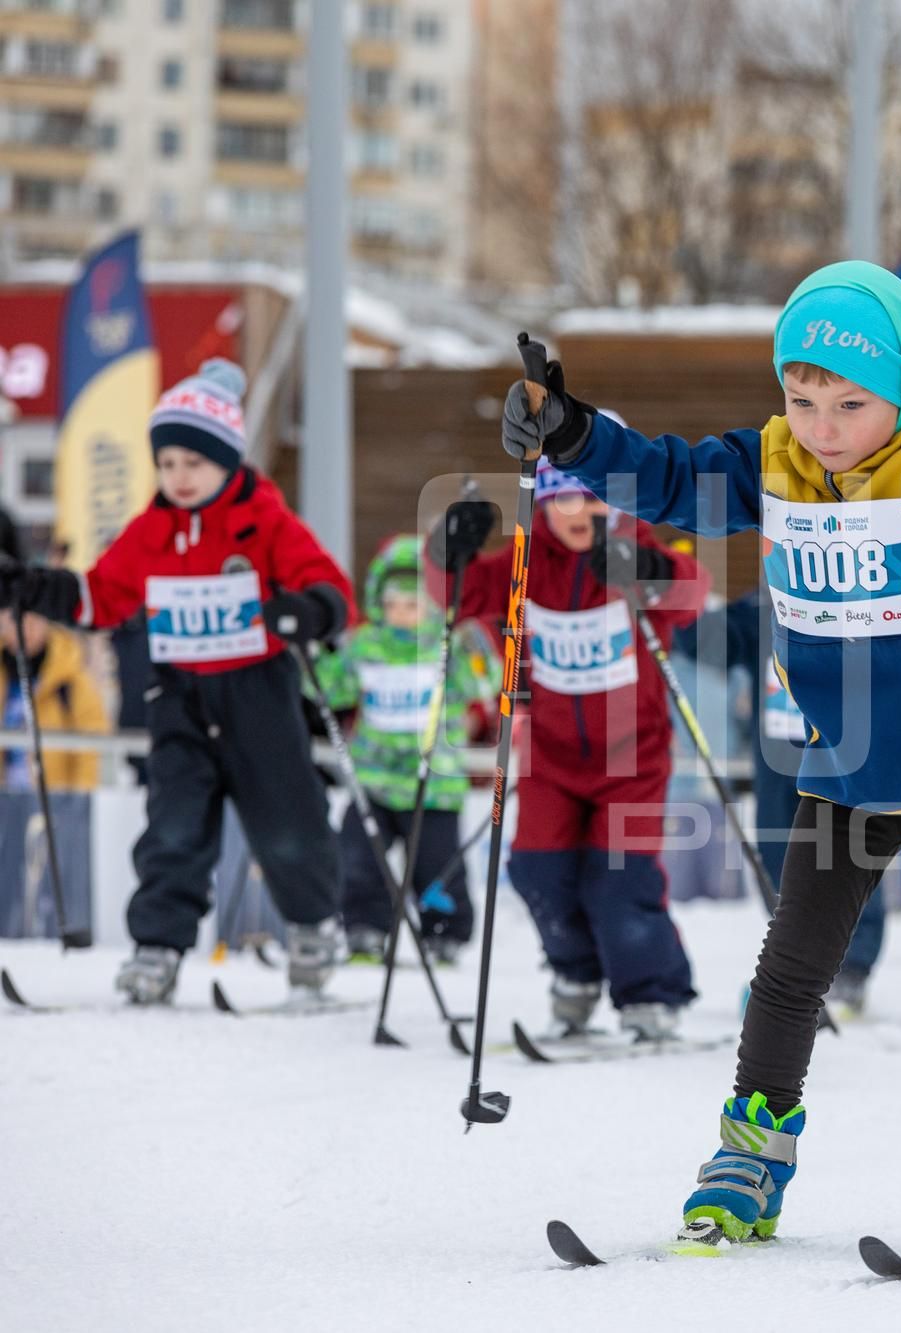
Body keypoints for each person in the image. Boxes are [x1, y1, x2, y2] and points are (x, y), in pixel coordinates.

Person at [490, 260, 901, 1246]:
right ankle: (750, 1155)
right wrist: (573, 433)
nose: (821, 425)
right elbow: (668, 477)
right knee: (790, 971)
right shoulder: (775, 463)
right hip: (837, 767)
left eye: (848, 403)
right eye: (800, 399)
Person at [2, 358, 356, 1003]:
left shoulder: (264, 521)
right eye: (167, 464)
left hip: (258, 695)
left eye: (194, 462)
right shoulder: (150, 530)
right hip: (181, 700)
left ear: (227, 460)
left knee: (288, 822)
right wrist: (34, 587)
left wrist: (308, 610)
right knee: (172, 826)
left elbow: (332, 588)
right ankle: (158, 948)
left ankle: (313, 928)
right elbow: (100, 599)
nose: (179, 477)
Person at [436, 459, 708, 1040]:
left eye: (596, 498)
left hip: (630, 758)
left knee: (620, 878)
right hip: (550, 755)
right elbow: (453, 596)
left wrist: (651, 571)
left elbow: (691, 593)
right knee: (537, 869)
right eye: (565, 499)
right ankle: (575, 976)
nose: (580, 512)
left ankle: (650, 996)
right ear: (543, 506)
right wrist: (446, 552)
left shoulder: (635, 546)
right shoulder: (525, 562)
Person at [312, 534, 500, 963]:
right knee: (358, 858)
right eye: (392, 606)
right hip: (373, 779)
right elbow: (333, 690)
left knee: (435, 865)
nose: (400, 616)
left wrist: (474, 641)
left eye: (411, 607)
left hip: (431, 784)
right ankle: (363, 929)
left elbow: (485, 684)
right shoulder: (365, 644)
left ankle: (444, 933)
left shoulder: (446, 645)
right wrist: (315, 656)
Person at [0, 605, 110, 794]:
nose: (24, 629)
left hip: (52, 799)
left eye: (32, 621)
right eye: (15, 621)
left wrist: (77, 801)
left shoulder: (71, 677)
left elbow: (90, 749)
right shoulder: (5, 675)